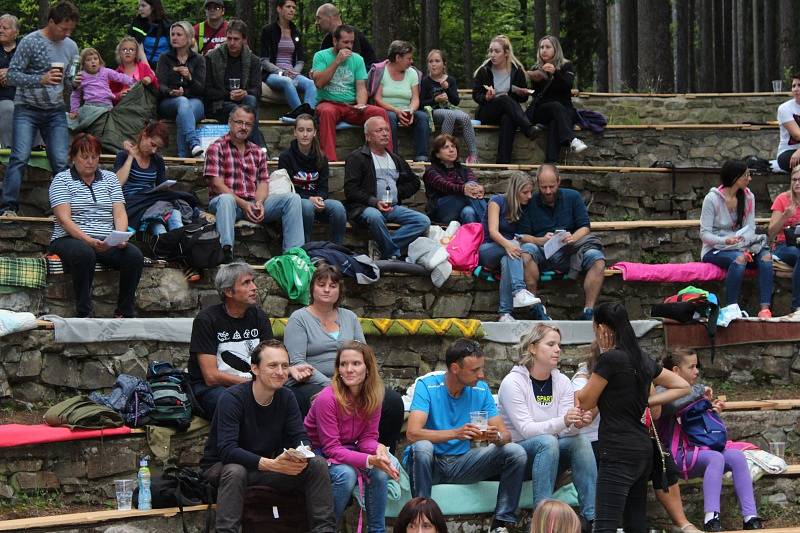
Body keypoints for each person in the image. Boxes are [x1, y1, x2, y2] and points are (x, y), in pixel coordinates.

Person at [575, 302, 690, 533]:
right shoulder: (641, 358)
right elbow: (682, 385)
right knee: (635, 524)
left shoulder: (610, 360)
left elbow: (585, 402)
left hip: (617, 450)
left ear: (600, 328)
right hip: (641, 451)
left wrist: (585, 377)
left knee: (605, 526)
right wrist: (646, 401)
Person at [200, 339, 336, 533]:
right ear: (255, 368)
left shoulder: (287, 397)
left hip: (264, 468)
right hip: (223, 468)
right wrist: (271, 464)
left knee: (317, 464)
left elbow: (300, 437)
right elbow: (227, 450)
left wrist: (298, 454)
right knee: (235, 470)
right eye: (272, 365)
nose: (280, 372)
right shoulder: (232, 398)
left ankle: (324, 530)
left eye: (284, 366)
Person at [404, 338, 527, 533]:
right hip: (431, 462)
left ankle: (501, 524)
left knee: (515, 452)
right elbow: (412, 434)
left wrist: (496, 438)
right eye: (475, 370)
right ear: (455, 368)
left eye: (481, 368)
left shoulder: (481, 389)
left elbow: (505, 434)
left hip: (463, 462)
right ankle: (422, 519)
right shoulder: (427, 386)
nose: (481, 375)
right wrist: (456, 433)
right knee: (422, 447)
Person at [284, 263, 406, 450]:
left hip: (352, 379)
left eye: (333, 286)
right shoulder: (299, 318)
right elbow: (298, 362)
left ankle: (380, 451)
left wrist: (366, 382)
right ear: (312, 288)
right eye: (321, 284)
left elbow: (364, 354)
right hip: (312, 382)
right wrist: (332, 386)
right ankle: (324, 453)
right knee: (320, 399)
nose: (326, 289)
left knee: (392, 401)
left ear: (340, 290)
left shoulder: (349, 317)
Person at [497, 323, 596, 527]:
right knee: (547, 441)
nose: (558, 349)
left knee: (580, 441)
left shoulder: (562, 382)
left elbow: (567, 429)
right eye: (551, 344)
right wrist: (564, 420)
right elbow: (526, 429)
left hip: (550, 454)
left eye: (559, 345)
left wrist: (578, 422)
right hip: (517, 459)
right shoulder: (512, 382)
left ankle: (593, 518)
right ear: (532, 348)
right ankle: (542, 521)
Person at [657, 349, 762, 531]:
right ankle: (711, 517)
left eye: (697, 366)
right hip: (678, 455)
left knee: (736, 456)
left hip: (700, 449)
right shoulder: (662, 390)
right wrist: (698, 390)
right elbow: (673, 406)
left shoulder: (692, 392)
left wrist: (711, 412)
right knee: (716, 458)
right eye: (691, 367)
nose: (696, 371)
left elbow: (697, 425)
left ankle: (750, 516)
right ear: (675, 371)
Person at [304, 341, 398, 531]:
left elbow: (367, 439)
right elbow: (331, 448)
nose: (348, 369)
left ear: (368, 368)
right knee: (346, 475)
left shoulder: (374, 396)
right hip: (317, 453)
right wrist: (370, 459)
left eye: (356, 363)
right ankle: (325, 529)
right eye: (343, 364)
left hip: (346, 449)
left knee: (380, 472)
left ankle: (377, 530)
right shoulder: (326, 399)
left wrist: (379, 451)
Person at [48, 134, 144, 318]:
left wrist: (119, 236)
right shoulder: (61, 180)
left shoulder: (110, 178)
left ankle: (124, 311)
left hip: (105, 239)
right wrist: (88, 240)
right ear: (74, 157)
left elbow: (119, 212)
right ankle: (84, 311)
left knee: (133, 255)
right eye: (85, 157)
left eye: (94, 156)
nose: (90, 161)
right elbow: (64, 219)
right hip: (69, 238)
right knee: (84, 253)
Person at [0, 1, 79, 217]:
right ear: (51, 22)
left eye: (71, 29)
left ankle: (63, 211)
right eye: (64, 28)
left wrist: (75, 82)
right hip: (27, 108)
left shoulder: (71, 47)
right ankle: (8, 208)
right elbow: (12, 75)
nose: (67, 33)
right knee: (19, 157)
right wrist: (41, 79)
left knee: (61, 161)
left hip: (55, 110)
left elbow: (69, 81)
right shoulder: (30, 41)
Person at [204, 105, 304, 263]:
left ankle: (294, 257)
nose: (243, 127)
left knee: (293, 199)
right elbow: (217, 184)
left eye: (248, 124)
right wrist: (244, 204)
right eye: (239, 122)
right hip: (228, 204)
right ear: (230, 122)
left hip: (252, 202)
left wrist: (259, 203)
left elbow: (263, 182)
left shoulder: (258, 151)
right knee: (226, 199)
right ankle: (226, 252)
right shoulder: (216, 148)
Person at [517, 164, 606, 321]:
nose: (548, 191)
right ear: (538, 183)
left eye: (551, 186)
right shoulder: (530, 202)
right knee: (526, 251)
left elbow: (585, 227)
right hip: (541, 251)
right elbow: (523, 236)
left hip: (570, 251)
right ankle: (534, 307)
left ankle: (588, 310)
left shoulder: (572, 197)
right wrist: (541, 240)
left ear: (559, 181)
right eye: (544, 187)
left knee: (597, 259)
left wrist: (573, 237)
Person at [189, 262, 274, 417]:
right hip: (214, 389)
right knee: (233, 403)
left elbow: (270, 358)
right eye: (246, 283)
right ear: (228, 291)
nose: (254, 287)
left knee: (291, 397)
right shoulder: (207, 320)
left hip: (254, 383)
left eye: (253, 281)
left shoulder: (259, 316)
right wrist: (254, 385)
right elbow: (211, 377)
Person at [344, 116, 430, 259]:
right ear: (368, 136)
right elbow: (351, 190)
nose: (385, 133)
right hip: (365, 207)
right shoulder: (357, 157)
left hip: (392, 207)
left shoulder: (395, 158)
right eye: (379, 130)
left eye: (387, 130)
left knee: (423, 221)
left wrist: (398, 192)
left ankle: (381, 247)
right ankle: (392, 253)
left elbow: (414, 182)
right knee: (375, 216)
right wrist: (374, 202)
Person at [700, 160, 773, 317]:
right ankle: (731, 308)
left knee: (766, 256)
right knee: (740, 259)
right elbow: (704, 234)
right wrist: (725, 241)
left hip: (742, 245)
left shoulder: (748, 197)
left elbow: (750, 227)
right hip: (715, 249)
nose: (750, 178)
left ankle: (765, 308)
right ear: (735, 178)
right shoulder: (712, 199)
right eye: (747, 175)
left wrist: (744, 244)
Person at [311, 24, 392, 162]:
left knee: (380, 113)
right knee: (327, 112)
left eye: (352, 42)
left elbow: (361, 87)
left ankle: (387, 157)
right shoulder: (321, 56)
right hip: (329, 102)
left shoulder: (358, 59)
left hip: (351, 105)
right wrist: (337, 62)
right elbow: (319, 83)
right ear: (335, 41)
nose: (349, 46)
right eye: (345, 42)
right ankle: (329, 161)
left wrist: (361, 104)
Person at [479, 173, 541, 322]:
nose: (529, 196)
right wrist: (508, 244)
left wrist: (542, 240)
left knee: (509, 258)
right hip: (488, 248)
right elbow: (493, 232)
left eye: (531, 192)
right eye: (525, 192)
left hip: (508, 251)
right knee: (513, 250)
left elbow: (523, 235)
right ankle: (519, 290)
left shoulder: (522, 207)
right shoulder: (497, 201)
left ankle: (505, 314)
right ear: (515, 190)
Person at [278, 114, 346, 244]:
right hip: (298, 202)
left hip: (317, 201)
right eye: (301, 130)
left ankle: (337, 248)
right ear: (294, 132)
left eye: (309, 130)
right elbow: (286, 190)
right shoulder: (286, 157)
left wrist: (319, 198)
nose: (305, 134)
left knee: (338, 207)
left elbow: (323, 187)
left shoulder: (321, 157)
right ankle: (305, 247)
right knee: (307, 206)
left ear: (315, 132)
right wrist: (309, 199)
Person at [472, 35, 535, 164]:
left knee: (508, 118)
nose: (492, 54)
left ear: (506, 53)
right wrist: (486, 97)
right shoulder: (484, 70)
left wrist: (522, 94)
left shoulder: (516, 71)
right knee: (505, 100)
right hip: (487, 111)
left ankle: (503, 162)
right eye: (491, 51)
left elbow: (522, 99)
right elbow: (476, 94)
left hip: (509, 111)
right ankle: (528, 128)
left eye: (497, 51)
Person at [525, 35, 586, 163]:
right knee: (555, 107)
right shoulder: (536, 68)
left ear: (555, 49)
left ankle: (551, 162)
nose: (544, 50)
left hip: (564, 109)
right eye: (541, 47)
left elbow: (567, 86)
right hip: (543, 110)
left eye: (548, 47)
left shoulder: (566, 65)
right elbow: (537, 94)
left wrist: (555, 73)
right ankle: (571, 140)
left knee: (555, 120)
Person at [204, 19, 264, 147]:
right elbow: (207, 90)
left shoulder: (253, 60)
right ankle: (260, 149)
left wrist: (245, 92)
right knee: (240, 112)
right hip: (220, 105)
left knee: (250, 101)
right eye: (229, 38)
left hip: (244, 102)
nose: (232, 43)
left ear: (244, 40)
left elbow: (257, 90)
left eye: (236, 39)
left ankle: (253, 149)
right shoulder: (212, 57)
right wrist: (228, 95)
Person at [370, 40, 430, 161]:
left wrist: (411, 111)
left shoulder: (412, 73)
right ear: (398, 57)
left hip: (406, 108)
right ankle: (393, 156)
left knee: (422, 117)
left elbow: (415, 98)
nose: (411, 61)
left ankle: (422, 156)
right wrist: (396, 110)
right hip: (386, 109)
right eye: (409, 58)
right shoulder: (381, 72)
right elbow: (377, 98)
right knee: (390, 117)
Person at [113, 120, 175, 233]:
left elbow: (161, 186)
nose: (154, 150)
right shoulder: (123, 155)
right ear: (144, 135)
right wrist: (131, 156)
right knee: (158, 224)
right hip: (132, 203)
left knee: (175, 215)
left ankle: (179, 244)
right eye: (153, 144)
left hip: (150, 200)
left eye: (158, 148)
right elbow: (117, 184)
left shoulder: (157, 160)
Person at [155, 21, 205, 158]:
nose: (174, 37)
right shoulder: (165, 58)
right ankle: (194, 143)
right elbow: (159, 85)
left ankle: (182, 156)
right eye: (172, 34)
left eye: (179, 34)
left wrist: (189, 77)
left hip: (195, 101)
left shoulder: (198, 59)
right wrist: (171, 92)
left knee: (183, 114)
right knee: (182, 102)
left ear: (189, 38)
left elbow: (201, 89)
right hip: (170, 101)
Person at [421, 49, 478, 164]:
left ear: (444, 64)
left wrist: (447, 89)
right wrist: (435, 99)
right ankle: (443, 152)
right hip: (434, 110)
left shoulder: (450, 80)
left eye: (437, 61)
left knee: (465, 117)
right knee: (450, 115)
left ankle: (473, 155)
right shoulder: (426, 81)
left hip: (449, 108)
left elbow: (456, 101)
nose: (433, 64)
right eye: (431, 61)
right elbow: (421, 103)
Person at [260, 0, 317, 117]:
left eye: (294, 8)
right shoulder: (268, 31)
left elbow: (300, 60)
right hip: (273, 74)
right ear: (279, 9)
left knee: (311, 84)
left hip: (292, 72)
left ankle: (308, 117)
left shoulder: (296, 32)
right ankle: (302, 116)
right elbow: (264, 61)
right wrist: (282, 72)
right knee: (287, 81)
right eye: (288, 7)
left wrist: (294, 72)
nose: (292, 10)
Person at [422, 134, 486, 224]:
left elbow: (472, 180)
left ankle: (473, 237)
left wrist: (477, 187)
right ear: (437, 154)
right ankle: (492, 228)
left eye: (453, 146)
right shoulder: (431, 171)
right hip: (440, 211)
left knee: (469, 212)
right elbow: (446, 186)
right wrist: (465, 189)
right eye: (446, 147)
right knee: (464, 195)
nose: (451, 150)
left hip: (461, 208)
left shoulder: (463, 169)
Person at [68, 48, 136, 130]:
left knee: (111, 123)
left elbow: (120, 77)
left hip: (106, 106)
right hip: (90, 106)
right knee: (74, 122)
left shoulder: (105, 71)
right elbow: (75, 94)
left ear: (99, 61)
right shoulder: (81, 76)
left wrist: (133, 82)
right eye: (88, 60)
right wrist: (74, 111)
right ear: (83, 64)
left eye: (95, 59)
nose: (93, 61)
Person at [768, 165, 800, 315]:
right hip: (783, 245)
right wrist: (785, 216)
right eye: (794, 180)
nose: (797, 183)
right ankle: (796, 306)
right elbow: (771, 232)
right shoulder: (783, 199)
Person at [315, 3, 377, 68]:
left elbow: (352, 68)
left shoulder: (351, 35)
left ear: (330, 18)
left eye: (319, 18)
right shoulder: (327, 40)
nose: (316, 22)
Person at [109, 36, 158, 104]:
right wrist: (118, 95)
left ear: (136, 53)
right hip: (125, 107)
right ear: (119, 53)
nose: (128, 52)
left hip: (144, 105)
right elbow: (109, 94)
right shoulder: (115, 73)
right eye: (124, 49)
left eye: (131, 50)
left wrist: (150, 78)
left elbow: (157, 85)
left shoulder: (144, 67)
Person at [128, 0, 171, 69]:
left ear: (153, 7)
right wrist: (148, 70)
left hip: (168, 66)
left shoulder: (167, 24)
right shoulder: (137, 24)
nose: (140, 9)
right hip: (146, 66)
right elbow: (138, 48)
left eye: (143, 6)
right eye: (139, 6)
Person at [0, 13, 21, 148]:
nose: (0, 30)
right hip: (3, 98)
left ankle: (35, 152)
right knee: (8, 108)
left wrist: (11, 72)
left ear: (16, 32)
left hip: (24, 95)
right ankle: (7, 152)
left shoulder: (24, 48)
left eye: (5, 28)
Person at [776, 73, 800, 172]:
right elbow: (797, 135)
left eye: (799, 85)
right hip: (788, 153)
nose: (795, 89)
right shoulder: (784, 108)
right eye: (793, 86)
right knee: (787, 160)